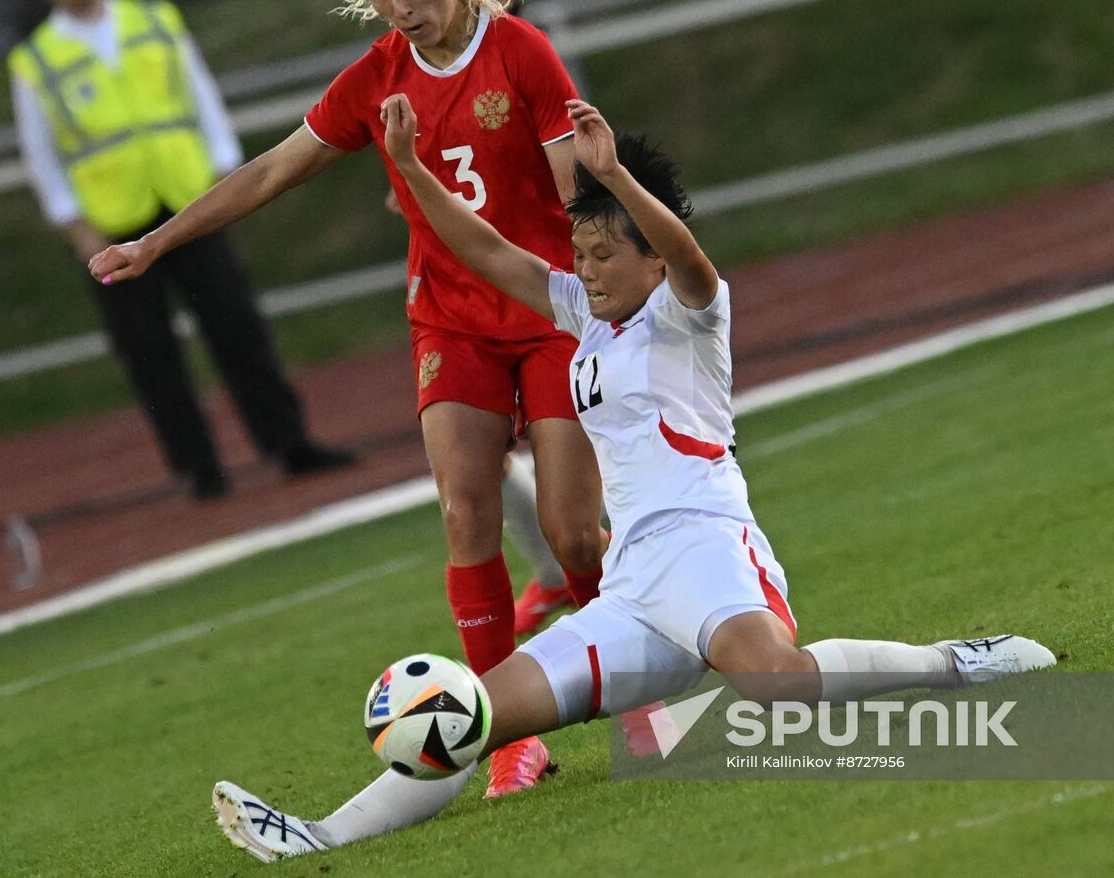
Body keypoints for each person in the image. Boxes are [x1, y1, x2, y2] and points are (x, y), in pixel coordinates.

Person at [208, 96, 1057, 863]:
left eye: (604, 253)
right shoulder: (587, 315)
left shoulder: (691, 308)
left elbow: (687, 253)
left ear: (648, 260)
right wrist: (413, 171)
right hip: (632, 587)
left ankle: (954, 661)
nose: (585, 269)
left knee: (774, 684)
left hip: (708, 549)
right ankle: (313, 838)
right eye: (579, 251)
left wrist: (610, 172)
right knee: (463, 717)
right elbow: (488, 253)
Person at [87, 0, 612, 794]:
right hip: (450, 321)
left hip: (552, 312)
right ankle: (508, 736)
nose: (400, 2)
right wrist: (156, 242)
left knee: (572, 535)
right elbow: (270, 171)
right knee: (463, 512)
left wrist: (611, 273)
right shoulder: (375, 78)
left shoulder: (521, 51)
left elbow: (577, 184)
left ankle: (632, 679)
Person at [9, 0, 353, 500]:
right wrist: (74, 223)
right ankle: (199, 468)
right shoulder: (35, 59)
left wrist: (227, 177)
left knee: (237, 323)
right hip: (111, 221)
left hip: (191, 202)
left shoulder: (156, 21)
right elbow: (40, 153)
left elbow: (202, 101)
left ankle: (288, 442)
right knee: (148, 348)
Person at [380, 0, 575, 637]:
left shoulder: (523, 56)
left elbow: (571, 172)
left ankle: (603, 591)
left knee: (577, 509)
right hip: (456, 311)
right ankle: (507, 722)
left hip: (547, 298)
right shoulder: (407, 70)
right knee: (470, 485)